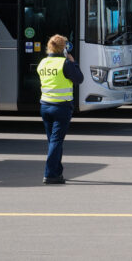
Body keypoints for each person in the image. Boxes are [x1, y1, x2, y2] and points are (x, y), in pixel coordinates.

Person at [37, 34, 84, 184]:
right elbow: (79, 79)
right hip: (61, 107)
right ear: (63, 48)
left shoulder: (42, 63)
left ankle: (57, 173)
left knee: (53, 141)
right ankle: (50, 174)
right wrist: (74, 63)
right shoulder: (64, 63)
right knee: (56, 141)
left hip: (45, 106)